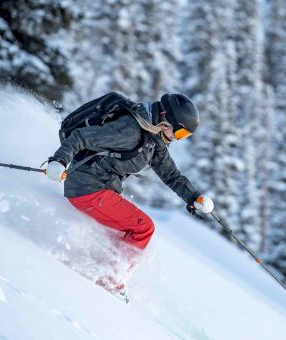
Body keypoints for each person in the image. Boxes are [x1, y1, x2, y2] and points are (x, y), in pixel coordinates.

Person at [45, 93, 214, 297]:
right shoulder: (130, 130)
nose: (177, 139)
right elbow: (81, 137)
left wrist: (193, 197)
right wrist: (59, 161)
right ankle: (109, 280)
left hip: (101, 188)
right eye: (179, 134)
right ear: (165, 120)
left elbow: (170, 174)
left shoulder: (154, 140)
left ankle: (95, 268)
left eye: (183, 137)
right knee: (143, 228)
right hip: (87, 188)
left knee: (122, 233)